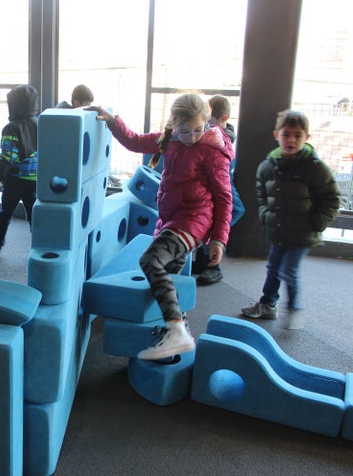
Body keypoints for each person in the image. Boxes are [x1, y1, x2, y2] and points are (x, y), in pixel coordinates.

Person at [88, 93, 234, 360]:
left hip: (194, 221)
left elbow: (225, 197)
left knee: (150, 261)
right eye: (185, 131)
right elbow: (134, 141)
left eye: (198, 130)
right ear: (174, 125)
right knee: (171, 280)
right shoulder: (171, 140)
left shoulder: (212, 150)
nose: (191, 137)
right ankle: (181, 339)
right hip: (171, 220)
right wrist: (112, 121)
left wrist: (218, 239)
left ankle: (176, 330)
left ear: (207, 124)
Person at [241, 110, 340, 330]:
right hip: (279, 230)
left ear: (307, 137)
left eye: (297, 135)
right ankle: (267, 304)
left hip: (304, 233)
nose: (291, 140)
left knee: (288, 270)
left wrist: (316, 223)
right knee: (273, 267)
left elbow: (332, 199)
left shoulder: (315, 168)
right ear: (277, 135)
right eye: (286, 134)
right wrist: (266, 215)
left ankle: (294, 308)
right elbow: (261, 194)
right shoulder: (268, 166)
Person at [194, 94, 246, 285]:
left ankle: (212, 264)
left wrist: (217, 231)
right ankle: (205, 260)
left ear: (223, 118)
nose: (208, 126)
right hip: (214, 181)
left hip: (222, 181)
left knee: (232, 212)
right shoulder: (221, 132)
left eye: (210, 121)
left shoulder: (221, 135)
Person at [0, 84, 39, 256]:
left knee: (6, 213)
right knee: (35, 216)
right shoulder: (40, 124)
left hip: (15, 180)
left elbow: (8, 155)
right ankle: (38, 249)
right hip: (35, 179)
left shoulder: (11, 128)